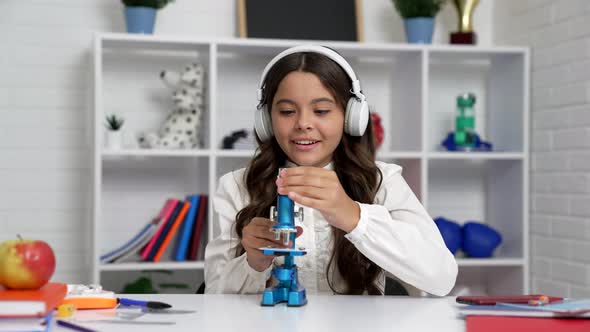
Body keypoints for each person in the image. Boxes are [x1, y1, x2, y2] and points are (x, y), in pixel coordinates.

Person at [204, 45, 457, 296]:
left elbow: (441, 277)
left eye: (322, 111)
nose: (303, 123)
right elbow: (212, 295)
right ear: (267, 120)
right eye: (287, 111)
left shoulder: (382, 181)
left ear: (350, 117)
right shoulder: (236, 186)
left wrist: (354, 216)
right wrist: (253, 263)